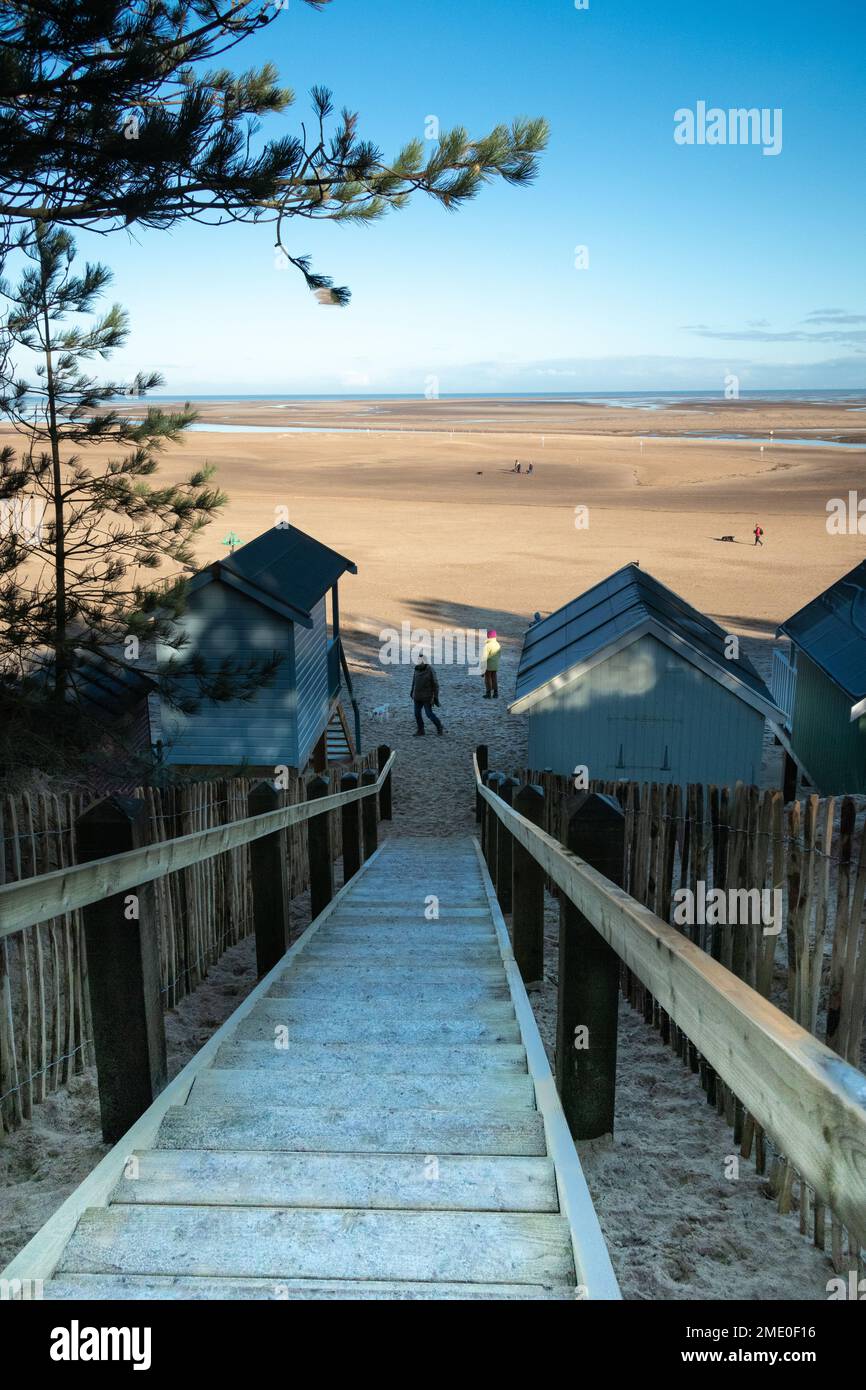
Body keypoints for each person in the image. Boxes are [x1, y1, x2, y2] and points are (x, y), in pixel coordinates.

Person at [410, 656, 443, 736]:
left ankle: (439, 727)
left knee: (429, 714)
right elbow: (414, 680)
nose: (419, 662)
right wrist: (411, 691)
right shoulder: (416, 669)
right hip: (417, 696)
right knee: (417, 714)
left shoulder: (430, 670)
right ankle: (421, 730)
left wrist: (435, 697)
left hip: (427, 697)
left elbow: (435, 684)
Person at [483, 628, 501, 698]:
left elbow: (484, 657)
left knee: (488, 679)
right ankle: (496, 693)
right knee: (494, 678)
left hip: (488, 665)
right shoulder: (497, 644)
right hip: (495, 665)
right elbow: (499, 655)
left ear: (488, 636)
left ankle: (488, 693)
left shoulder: (487, 645)